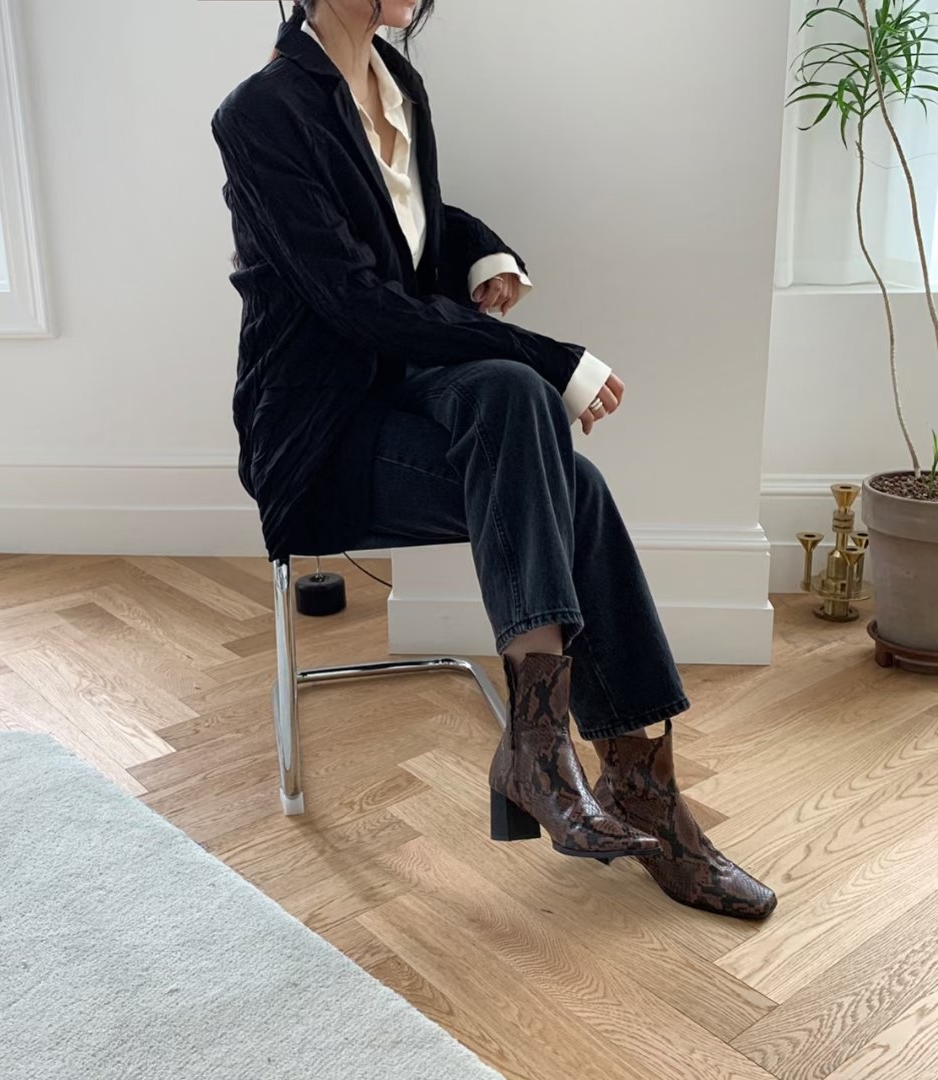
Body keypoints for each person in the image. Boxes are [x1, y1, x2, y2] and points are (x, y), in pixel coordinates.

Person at [211, 0, 776, 919]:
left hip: (408, 396)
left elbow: (404, 223)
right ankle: (614, 780)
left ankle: (556, 755)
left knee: (521, 412)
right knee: (553, 450)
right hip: (321, 437)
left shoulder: (397, 83)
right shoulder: (260, 114)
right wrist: (554, 359)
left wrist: (479, 252)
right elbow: (354, 298)